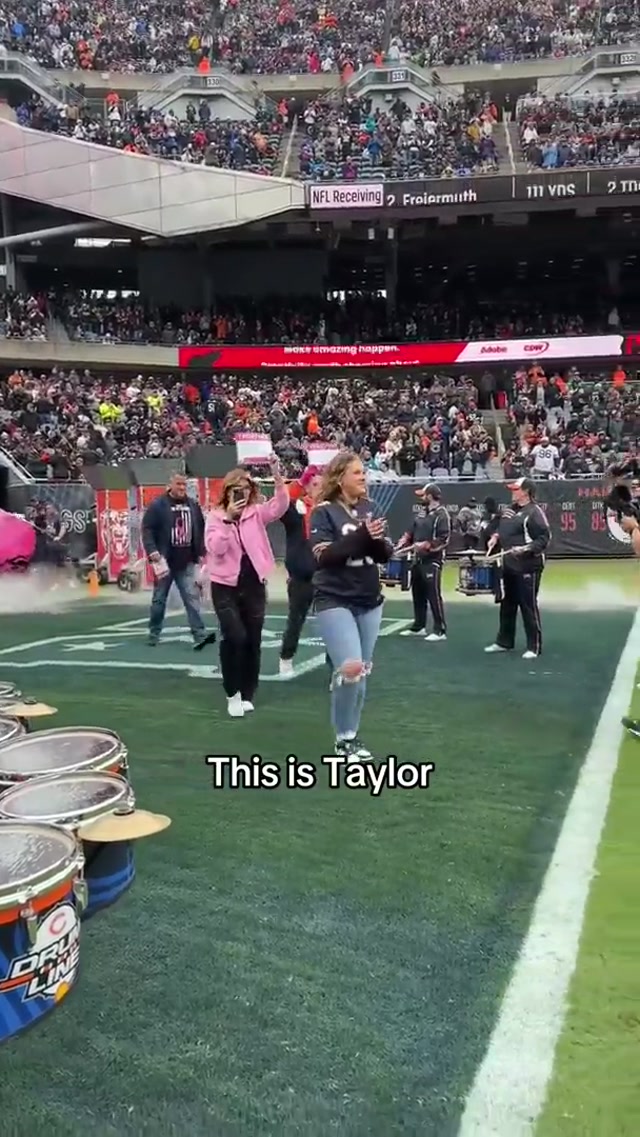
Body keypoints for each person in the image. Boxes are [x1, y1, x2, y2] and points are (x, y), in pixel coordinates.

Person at [309, 452, 393, 761]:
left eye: (363, 472)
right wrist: (361, 535)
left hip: (369, 599)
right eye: (357, 472)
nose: (363, 477)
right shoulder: (323, 512)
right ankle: (344, 739)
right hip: (335, 597)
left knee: (360, 672)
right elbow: (325, 557)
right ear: (340, 476)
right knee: (351, 667)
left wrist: (377, 542)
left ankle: (351, 734)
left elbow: (384, 554)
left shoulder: (372, 508)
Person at [204, 458, 289, 718]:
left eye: (245, 489)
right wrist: (229, 521)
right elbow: (215, 549)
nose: (241, 495)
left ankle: (248, 691)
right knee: (234, 636)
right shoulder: (215, 517)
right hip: (224, 585)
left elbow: (280, 506)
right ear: (227, 492)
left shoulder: (255, 512)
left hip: (253, 582)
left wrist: (276, 475)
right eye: (236, 490)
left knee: (253, 639)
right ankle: (233, 693)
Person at [141, 473, 216, 650]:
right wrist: (152, 551)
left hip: (186, 560)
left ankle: (199, 634)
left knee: (192, 599)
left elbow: (200, 527)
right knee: (159, 600)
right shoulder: (158, 505)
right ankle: (154, 633)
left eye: (184, 484)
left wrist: (200, 551)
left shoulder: (192, 505)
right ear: (170, 485)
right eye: (178, 484)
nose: (182, 487)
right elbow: (147, 529)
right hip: (164, 561)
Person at [484, 477, 551, 659]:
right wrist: (496, 537)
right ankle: (504, 642)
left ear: (526, 492)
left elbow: (544, 538)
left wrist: (526, 548)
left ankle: (534, 646)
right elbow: (503, 528)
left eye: (516, 489)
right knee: (507, 604)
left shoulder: (534, 512)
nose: (512, 492)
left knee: (528, 606)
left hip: (528, 565)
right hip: (509, 565)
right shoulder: (510, 510)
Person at [279, 465, 324, 676]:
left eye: (322, 484)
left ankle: (337, 664)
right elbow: (281, 504)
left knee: (334, 620)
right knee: (296, 619)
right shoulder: (296, 507)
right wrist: (299, 482)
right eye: (315, 484)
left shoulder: (328, 510)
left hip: (326, 575)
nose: (319, 488)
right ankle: (286, 658)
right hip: (301, 575)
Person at [397, 484, 451, 642]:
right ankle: (419, 626)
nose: (421, 498)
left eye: (423, 495)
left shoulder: (442, 514)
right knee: (418, 594)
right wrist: (405, 539)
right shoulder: (421, 513)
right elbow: (412, 530)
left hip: (432, 560)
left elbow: (444, 539)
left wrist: (427, 545)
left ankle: (440, 630)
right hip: (417, 559)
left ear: (430, 496)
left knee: (433, 595)